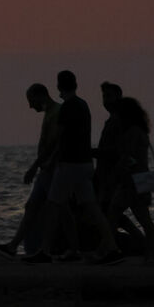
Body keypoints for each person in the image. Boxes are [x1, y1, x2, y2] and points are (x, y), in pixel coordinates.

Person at [46, 69, 118, 263]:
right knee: (91, 207)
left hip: (69, 164)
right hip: (85, 164)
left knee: (53, 204)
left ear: (59, 86)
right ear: (75, 85)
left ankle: (43, 251)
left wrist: (50, 162)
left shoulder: (67, 107)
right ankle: (111, 248)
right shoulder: (83, 105)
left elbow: (60, 138)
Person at [0, 83, 58, 259]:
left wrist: (35, 166)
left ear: (40, 96)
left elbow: (52, 145)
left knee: (56, 208)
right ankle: (13, 246)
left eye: (31, 101)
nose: (30, 106)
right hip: (47, 169)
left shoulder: (55, 114)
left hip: (51, 169)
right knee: (36, 206)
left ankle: (16, 246)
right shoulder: (51, 114)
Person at [96, 82, 154, 258]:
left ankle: (107, 250)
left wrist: (114, 176)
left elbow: (127, 159)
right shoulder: (139, 131)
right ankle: (107, 249)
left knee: (126, 216)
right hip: (140, 179)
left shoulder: (132, 133)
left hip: (133, 181)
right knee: (129, 216)